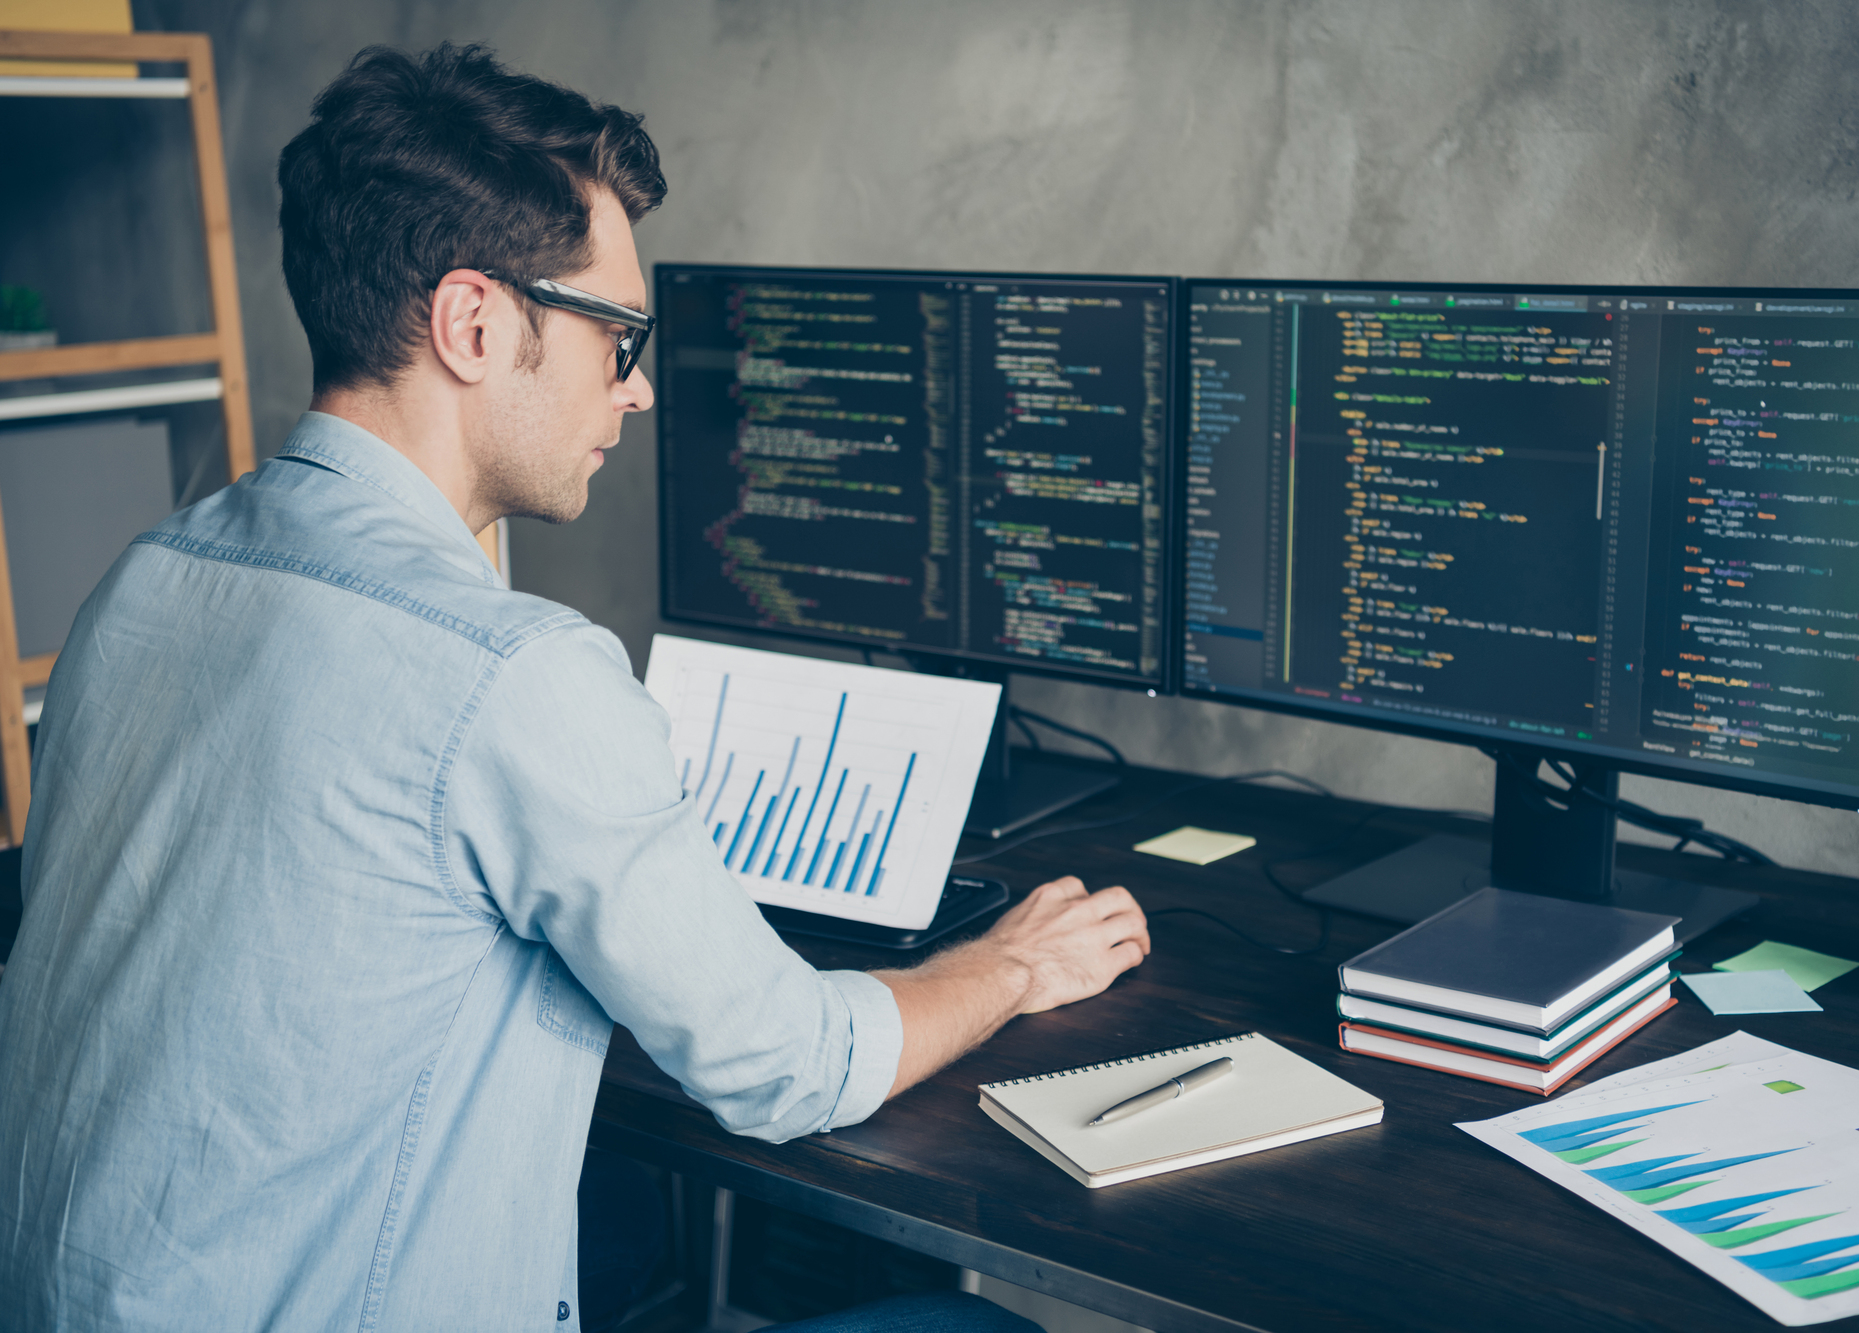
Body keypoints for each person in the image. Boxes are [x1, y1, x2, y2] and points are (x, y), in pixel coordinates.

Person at [0, 43, 1149, 1332]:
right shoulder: (512, 675)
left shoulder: (143, 581)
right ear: (475, 325)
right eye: (620, 338)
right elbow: (783, 1068)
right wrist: (1007, 965)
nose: (642, 387)